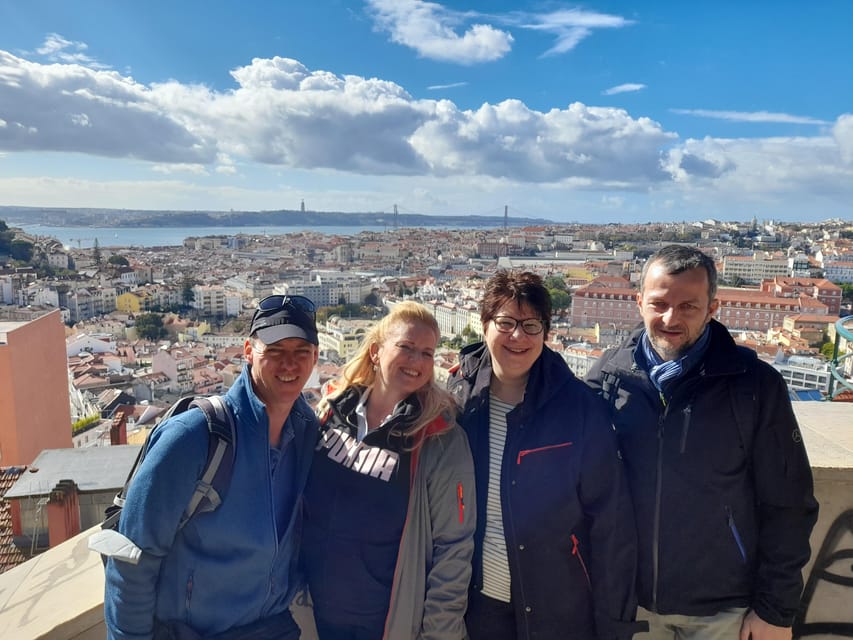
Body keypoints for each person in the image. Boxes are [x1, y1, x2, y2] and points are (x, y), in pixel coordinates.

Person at [586, 245, 819, 640]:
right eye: (658, 304)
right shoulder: (607, 378)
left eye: (688, 306)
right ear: (639, 301)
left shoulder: (754, 385)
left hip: (725, 609)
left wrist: (776, 611)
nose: (670, 318)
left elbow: (789, 503)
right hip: (632, 606)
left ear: (713, 307)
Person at [103, 294, 322, 640]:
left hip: (273, 627)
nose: (289, 364)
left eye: (301, 352)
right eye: (275, 351)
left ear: (316, 357)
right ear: (248, 352)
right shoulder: (195, 437)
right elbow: (131, 559)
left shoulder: (307, 430)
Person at [447, 270, 642, 640]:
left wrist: (615, 626)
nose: (518, 336)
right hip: (478, 609)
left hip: (559, 611)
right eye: (506, 322)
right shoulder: (460, 398)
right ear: (484, 326)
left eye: (531, 325)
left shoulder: (580, 410)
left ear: (546, 332)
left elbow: (612, 528)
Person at [302, 301, 476, 640]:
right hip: (309, 616)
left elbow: (453, 550)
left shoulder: (440, 438)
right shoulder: (331, 413)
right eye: (407, 348)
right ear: (375, 352)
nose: (417, 361)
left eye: (428, 353)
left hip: (385, 624)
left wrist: (439, 634)